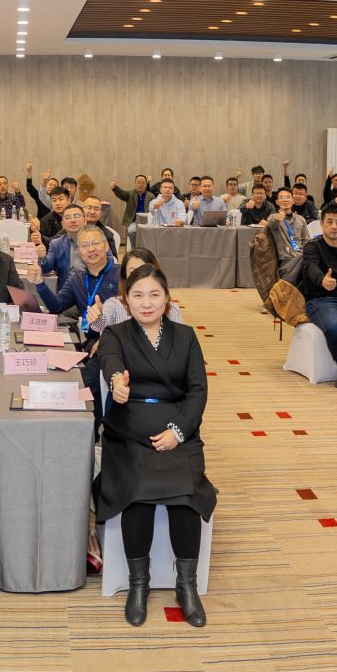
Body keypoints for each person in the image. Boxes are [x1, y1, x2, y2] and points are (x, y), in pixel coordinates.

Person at [98, 265, 215, 628]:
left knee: (185, 495)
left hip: (176, 429)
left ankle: (186, 586)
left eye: (154, 295)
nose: (146, 303)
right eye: (137, 295)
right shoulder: (115, 334)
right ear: (126, 300)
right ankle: (139, 584)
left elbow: (198, 390)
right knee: (138, 493)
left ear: (167, 299)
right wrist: (117, 383)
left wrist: (178, 431)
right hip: (129, 430)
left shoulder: (185, 336)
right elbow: (110, 363)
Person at [288, 204, 337, 388]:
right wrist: (322, 280)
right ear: (322, 224)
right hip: (321, 301)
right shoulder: (312, 247)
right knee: (335, 328)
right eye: (329, 222)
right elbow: (311, 268)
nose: (334, 226)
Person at [36, 225, 120, 343]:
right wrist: (40, 283)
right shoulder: (76, 280)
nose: (91, 249)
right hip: (90, 341)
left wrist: (105, 341)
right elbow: (56, 306)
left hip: (118, 340)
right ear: (79, 252)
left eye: (96, 243)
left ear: (106, 246)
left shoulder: (123, 275)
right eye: (85, 246)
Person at [265, 189, 306, 273]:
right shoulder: (273, 217)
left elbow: (306, 240)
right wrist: (277, 219)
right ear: (277, 202)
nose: (285, 200)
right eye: (282, 197)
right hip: (285, 259)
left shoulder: (301, 219)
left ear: (293, 201)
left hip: (300, 256)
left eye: (288, 197)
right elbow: (271, 223)